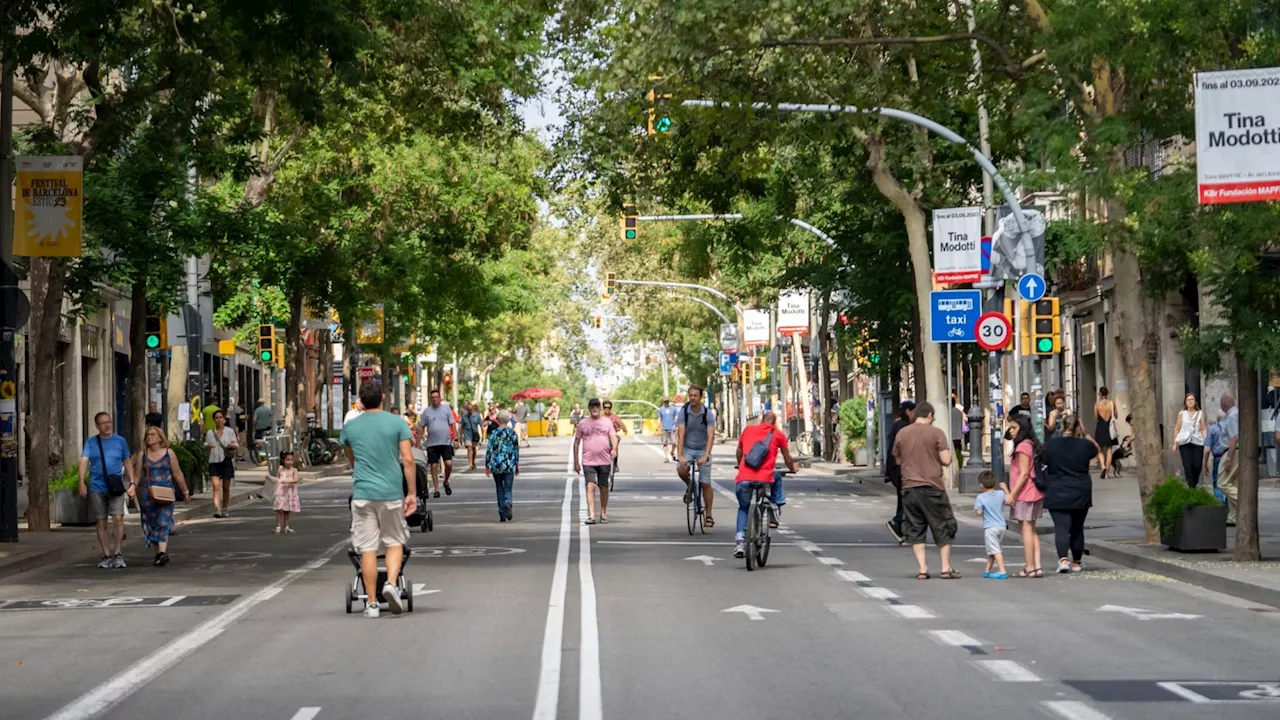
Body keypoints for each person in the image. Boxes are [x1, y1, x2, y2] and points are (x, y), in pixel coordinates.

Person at [340, 382, 417, 618]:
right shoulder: (397, 423)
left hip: (363, 494)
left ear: (360, 401)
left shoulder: (350, 427)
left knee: (368, 549)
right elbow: (408, 459)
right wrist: (411, 493)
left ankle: (371, 603)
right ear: (383, 397)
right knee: (394, 541)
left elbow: (351, 457)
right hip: (391, 492)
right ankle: (391, 584)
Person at [891, 401, 959, 579]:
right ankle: (945, 567)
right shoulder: (936, 433)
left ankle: (922, 568)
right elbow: (946, 460)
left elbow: (897, 460)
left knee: (915, 528)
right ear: (930, 415)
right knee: (943, 526)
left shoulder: (902, 433)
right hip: (932, 486)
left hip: (909, 488)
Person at [732, 412, 796, 558]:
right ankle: (775, 508)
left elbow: (739, 451)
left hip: (743, 478)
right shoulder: (778, 435)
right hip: (765, 478)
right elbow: (787, 458)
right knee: (777, 476)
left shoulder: (748, 429)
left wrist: (739, 464)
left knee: (743, 507)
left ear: (761, 421)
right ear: (774, 423)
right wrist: (793, 468)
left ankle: (740, 543)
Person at [78, 412, 137, 569]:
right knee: (101, 520)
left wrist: (132, 483)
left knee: (118, 518)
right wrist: (81, 481)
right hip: (97, 486)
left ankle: (117, 552)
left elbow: (128, 461)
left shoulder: (120, 441)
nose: (107, 425)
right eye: (103, 423)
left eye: (108, 422)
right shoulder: (91, 442)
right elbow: (84, 461)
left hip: (116, 486)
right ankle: (106, 554)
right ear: (97, 426)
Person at [1042, 413, 1099, 573]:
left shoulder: (1051, 445)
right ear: (1077, 427)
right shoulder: (1085, 445)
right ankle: (1077, 562)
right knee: (1077, 528)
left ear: (1062, 427)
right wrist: (1084, 432)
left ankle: (1063, 560)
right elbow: (1097, 449)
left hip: (1057, 489)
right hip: (1080, 489)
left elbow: (1043, 460)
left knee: (1061, 527)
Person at [135, 425, 188, 567]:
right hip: (147, 494)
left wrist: (185, 491)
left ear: (160, 437)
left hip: (165, 494)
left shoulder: (169, 453)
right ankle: (159, 553)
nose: (150, 437)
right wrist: (133, 488)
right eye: (148, 435)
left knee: (163, 522)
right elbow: (137, 476)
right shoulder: (143, 455)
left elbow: (177, 473)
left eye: (153, 434)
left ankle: (162, 552)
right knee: (152, 523)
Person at [1004, 414, 1044, 578]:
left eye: (1014, 428)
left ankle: (1029, 566)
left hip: (1025, 493)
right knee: (1032, 529)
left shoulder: (1022, 447)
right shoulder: (1031, 444)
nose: (1011, 431)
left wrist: (1012, 494)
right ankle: (1037, 566)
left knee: (1026, 529)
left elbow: (1024, 473)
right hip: (1034, 492)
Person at [676, 386, 717, 527]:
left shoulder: (707, 414)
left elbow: (711, 435)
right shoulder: (684, 412)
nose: (692, 398)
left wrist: (706, 455)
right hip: (688, 448)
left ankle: (709, 515)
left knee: (705, 482)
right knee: (681, 469)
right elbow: (680, 434)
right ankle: (690, 486)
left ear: (700, 397)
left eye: (695, 395)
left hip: (702, 449)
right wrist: (680, 455)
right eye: (690, 395)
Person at [574, 399, 618, 525]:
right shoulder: (583, 423)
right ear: (589, 408)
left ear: (600, 408)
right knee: (590, 486)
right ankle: (591, 515)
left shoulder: (607, 422)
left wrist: (614, 448)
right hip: (588, 461)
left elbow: (613, 436)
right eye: (592, 406)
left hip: (604, 460)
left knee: (604, 487)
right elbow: (576, 442)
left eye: (597, 406)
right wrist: (576, 462)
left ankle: (603, 513)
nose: (595, 408)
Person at [884, 401, 916, 544]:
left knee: (904, 498)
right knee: (907, 498)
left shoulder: (897, 425)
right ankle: (898, 522)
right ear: (908, 411)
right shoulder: (904, 427)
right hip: (902, 468)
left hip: (896, 469)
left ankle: (902, 526)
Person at [418, 389, 457, 498]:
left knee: (448, 464)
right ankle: (436, 489)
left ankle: (446, 481)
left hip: (445, 442)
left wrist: (456, 437)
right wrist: (417, 442)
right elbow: (421, 427)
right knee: (434, 465)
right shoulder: (427, 412)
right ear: (431, 399)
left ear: (440, 398)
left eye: (436, 397)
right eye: (433, 397)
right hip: (432, 443)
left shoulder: (446, 409)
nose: (435, 399)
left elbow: (452, 424)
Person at [973, 470, 1010, 579]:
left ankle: (1002, 571)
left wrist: (980, 510)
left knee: (995, 550)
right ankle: (987, 570)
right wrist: (1005, 488)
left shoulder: (981, 497)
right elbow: (1008, 500)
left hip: (990, 527)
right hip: (1001, 526)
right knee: (993, 549)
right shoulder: (1000, 493)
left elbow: (979, 512)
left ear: (981, 485)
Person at [485, 410, 521, 522]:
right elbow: (516, 450)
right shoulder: (512, 433)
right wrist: (517, 464)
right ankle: (508, 502)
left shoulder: (493, 434)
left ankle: (502, 513)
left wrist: (487, 465)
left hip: (497, 464)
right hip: (509, 464)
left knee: (499, 488)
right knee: (508, 487)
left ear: (498, 420)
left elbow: (489, 450)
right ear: (508, 420)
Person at [204, 409, 239, 518]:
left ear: (224, 419)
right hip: (213, 461)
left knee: (226, 487)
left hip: (226, 461)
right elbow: (206, 444)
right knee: (216, 486)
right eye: (216, 418)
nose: (219, 420)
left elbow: (236, 444)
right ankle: (217, 509)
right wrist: (207, 447)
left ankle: (224, 508)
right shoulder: (210, 432)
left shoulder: (229, 431)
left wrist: (232, 446)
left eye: (220, 417)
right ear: (214, 420)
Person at [1172, 392, 1208, 488]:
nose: (1190, 401)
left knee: (1197, 465)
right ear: (1185, 402)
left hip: (1197, 442)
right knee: (1187, 465)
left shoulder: (1200, 414)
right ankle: (1191, 486)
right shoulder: (1181, 414)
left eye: (1192, 399)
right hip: (1185, 442)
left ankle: (1194, 483)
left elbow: (1203, 428)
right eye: (1188, 400)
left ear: (1195, 402)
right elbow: (1177, 428)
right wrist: (1175, 443)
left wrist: (1206, 441)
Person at [1217, 391, 1241, 526]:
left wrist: (1229, 459)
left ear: (1223, 404)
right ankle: (1233, 517)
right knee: (1233, 482)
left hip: (1232, 452)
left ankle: (1244, 504)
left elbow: (1234, 437)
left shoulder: (1232, 416)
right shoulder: (1236, 413)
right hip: (1236, 451)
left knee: (1222, 483)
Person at [270, 451, 301, 534]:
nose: (290, 462)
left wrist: (287, 481)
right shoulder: (280, 470)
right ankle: (278, 526)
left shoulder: (294, 470)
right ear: (283, 460)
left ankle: (286, 526)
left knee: (287, 510)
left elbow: (296, 479)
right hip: (280, 492)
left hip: (289, 492)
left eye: (291, 460)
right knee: (279, 509)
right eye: (288, 460)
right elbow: (277, 480)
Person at [1205, 412, 1230, 503]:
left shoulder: (1213, 429)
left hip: (1217, 458)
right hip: (1229, 457)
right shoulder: (1231, 428)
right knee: (1229, 482)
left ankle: (1220, 503)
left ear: (1217, 419)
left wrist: (1205, 464)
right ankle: (1228, 503)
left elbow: (1207, 449)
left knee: (1217, 483)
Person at [1094, 387, 1117, 478]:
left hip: (1100, 427)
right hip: (1109, 427)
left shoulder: (1097, 404)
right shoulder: (1112, 403)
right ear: (1107, 393)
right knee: (1109, 450)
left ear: (1100, 394)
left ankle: (1103, 466)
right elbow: (1116, 415)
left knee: (1099, 449)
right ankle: (1107, 472)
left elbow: (1096, 417)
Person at [602, 400, 628, 472]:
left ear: (611, 408)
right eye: (605, 407)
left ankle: (615, 464)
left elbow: (621, 423)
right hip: (602, 437)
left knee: (615, 447)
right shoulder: (600, 417)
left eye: (609, 408)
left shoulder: (614, 417)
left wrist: (624, 429)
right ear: (603, 408)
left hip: (612, 436)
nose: (607, 409)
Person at [460, 402, 484, 471]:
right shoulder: (464, 416)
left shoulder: (477, 416)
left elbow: (481, 425)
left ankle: (473, 461)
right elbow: (461, 427)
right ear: (467, 410)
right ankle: (470, 463)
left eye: (470, 410)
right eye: (468, 410)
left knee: (474, 449)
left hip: (474, 435)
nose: (469, 411)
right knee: (469, 448)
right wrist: (460, 437)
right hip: (467, 435)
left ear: (473, 409)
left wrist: (482, 436)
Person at [657, 397, 679, 463]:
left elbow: (676, 417)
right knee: (665, 443)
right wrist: (657, 427)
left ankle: (672, 452)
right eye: (665, 401)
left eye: (667, 401)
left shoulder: (673, 409)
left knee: (674, 442)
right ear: (663, 402)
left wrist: (676, 425)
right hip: (664, 428)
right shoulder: (660, 409)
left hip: (672, 428)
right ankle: (666, 457)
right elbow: (659, 418)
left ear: (669, 401)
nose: (666, 402)